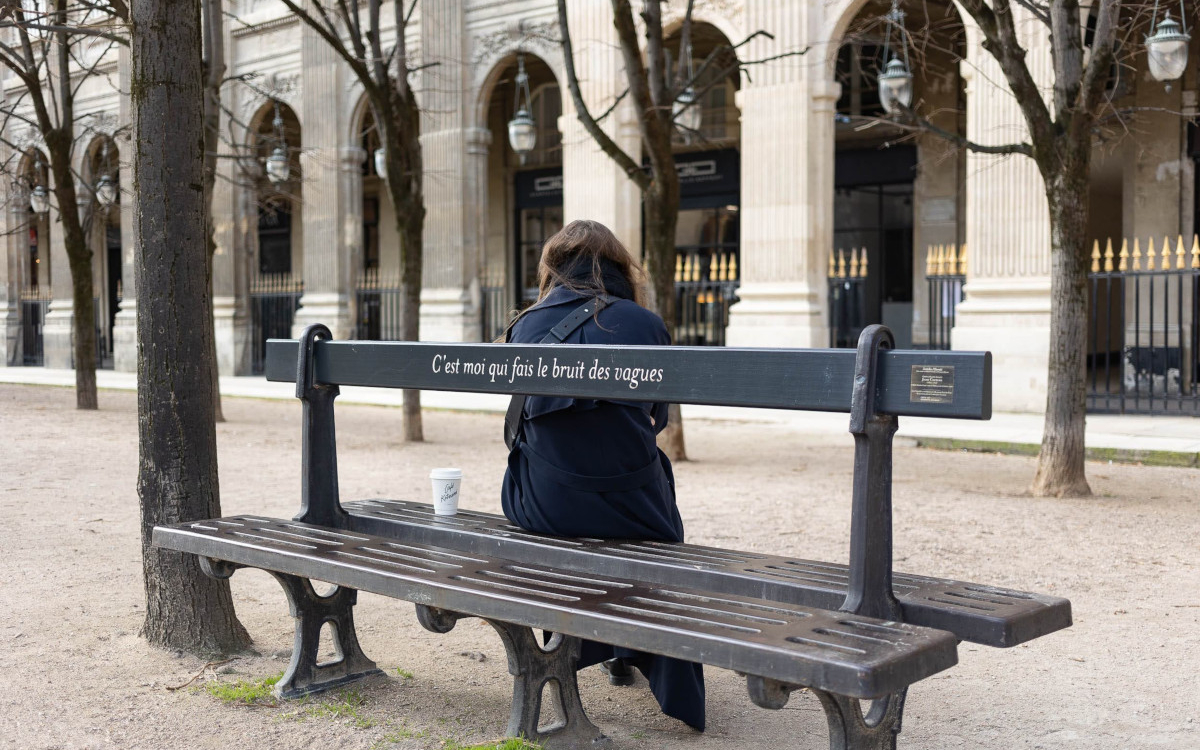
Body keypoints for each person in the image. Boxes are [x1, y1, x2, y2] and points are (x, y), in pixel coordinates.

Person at [500, 219, 705, 732]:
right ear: (618, 267)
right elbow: (656, 420)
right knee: (654, 487)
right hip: (631, 509)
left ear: (553, 267)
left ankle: (587, 645)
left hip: (542, 506)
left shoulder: (526, 325)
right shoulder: (645, 324)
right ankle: (638, 652)